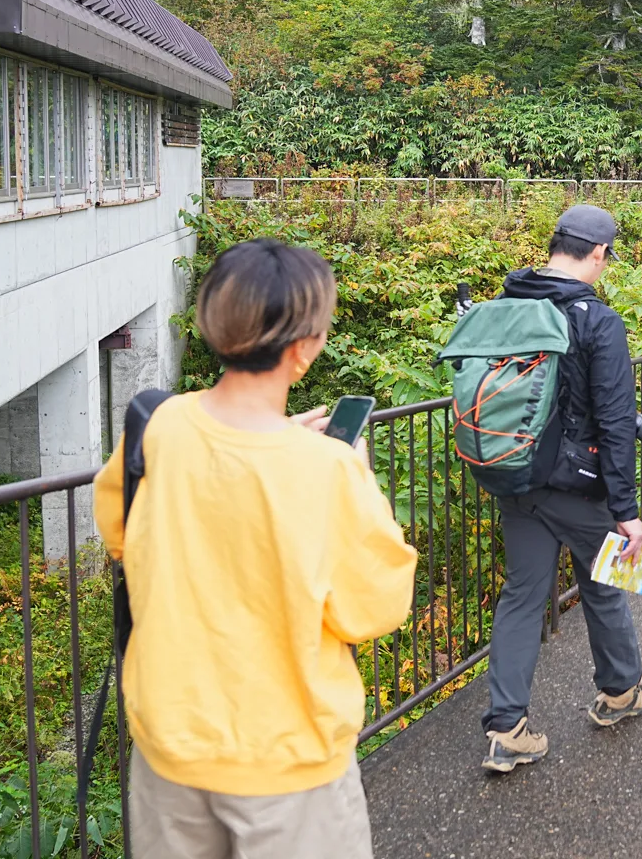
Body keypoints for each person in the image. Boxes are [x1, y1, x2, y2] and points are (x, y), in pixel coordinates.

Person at [95, 238, 418, 859]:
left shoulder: (159, 426)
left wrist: (268, 448)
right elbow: (373, 608)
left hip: (170, 746)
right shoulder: (327, 471)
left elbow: (122, 534)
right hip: (288, 760)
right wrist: (358, 477)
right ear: (304, 349)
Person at [480, 204, 642, 773]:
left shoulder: (509, 305)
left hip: (516, 473)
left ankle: (507, 729)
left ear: (556, 243)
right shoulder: (596, 320)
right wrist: (627, 512)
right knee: (607, 581)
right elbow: (612, 418)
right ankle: (620, 693)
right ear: (600, 253)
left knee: (522, 596)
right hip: (580, 484)